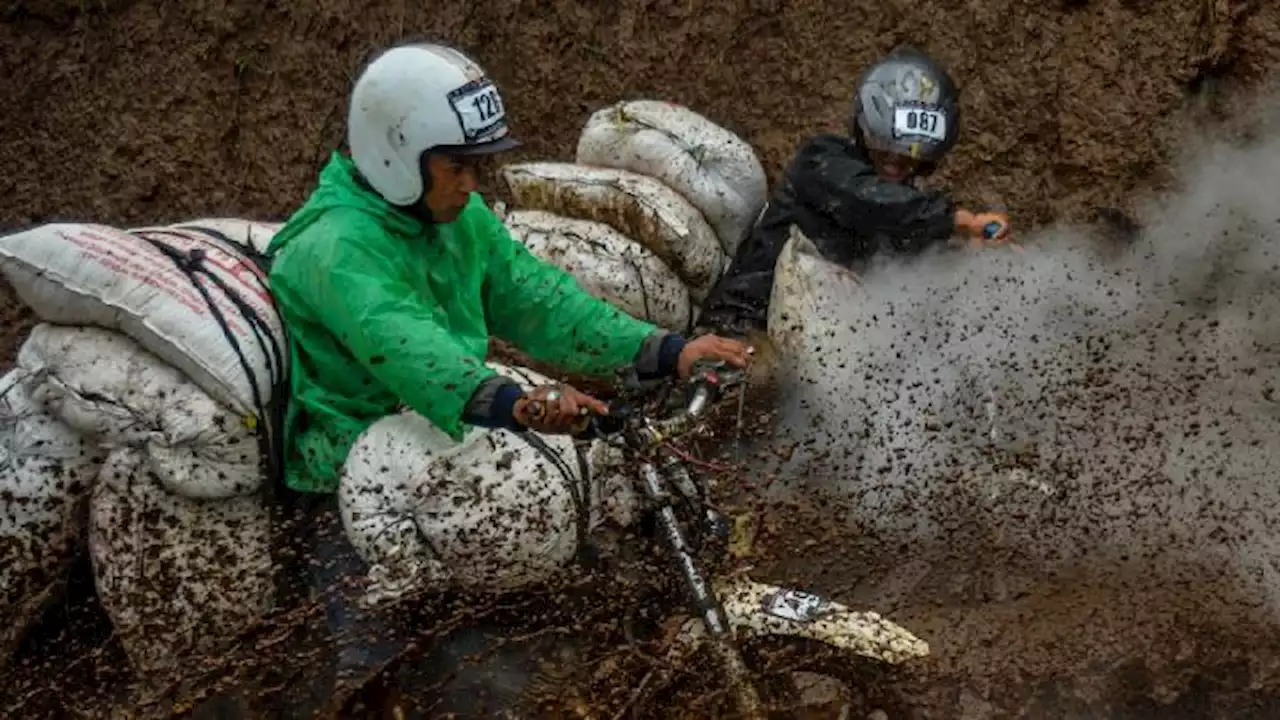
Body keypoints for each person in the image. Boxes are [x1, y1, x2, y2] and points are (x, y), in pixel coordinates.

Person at [263, 41, 752, 716]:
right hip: (359, 480)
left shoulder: (456, 221)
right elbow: (410, 350)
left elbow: (537, 296)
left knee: (601, 556)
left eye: (478, 165)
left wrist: (666, 349)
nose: (471, 183)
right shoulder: (334, 247)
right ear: (395, 153)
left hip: (459, 436)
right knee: (391, 681)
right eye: (457, 166)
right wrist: (516, 403)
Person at [698, 45, 1014, 335]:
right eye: (884, 152)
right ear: (865, 132)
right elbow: (871, 200)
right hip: (742, 327)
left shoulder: (908, 220)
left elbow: (920, 268)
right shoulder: (822, 161)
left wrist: (976, 257)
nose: (895, 164)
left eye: (907, 159)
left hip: (827, 352)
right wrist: (962, 220)